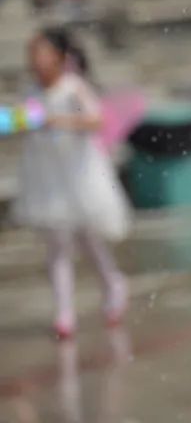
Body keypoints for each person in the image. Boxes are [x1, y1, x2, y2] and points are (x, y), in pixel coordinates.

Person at [10, 28, 131, 339]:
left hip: (77, 174)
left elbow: (97, 120)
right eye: (32, 54)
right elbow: (25, 120)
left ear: (61, 58)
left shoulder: (73, 87)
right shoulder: (32, 91)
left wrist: (58, 121)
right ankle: (64, 313)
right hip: (47, 176)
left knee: (88, 239)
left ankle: (113, 283)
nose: (36, 60)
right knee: (57, 244)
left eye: (42, 53)